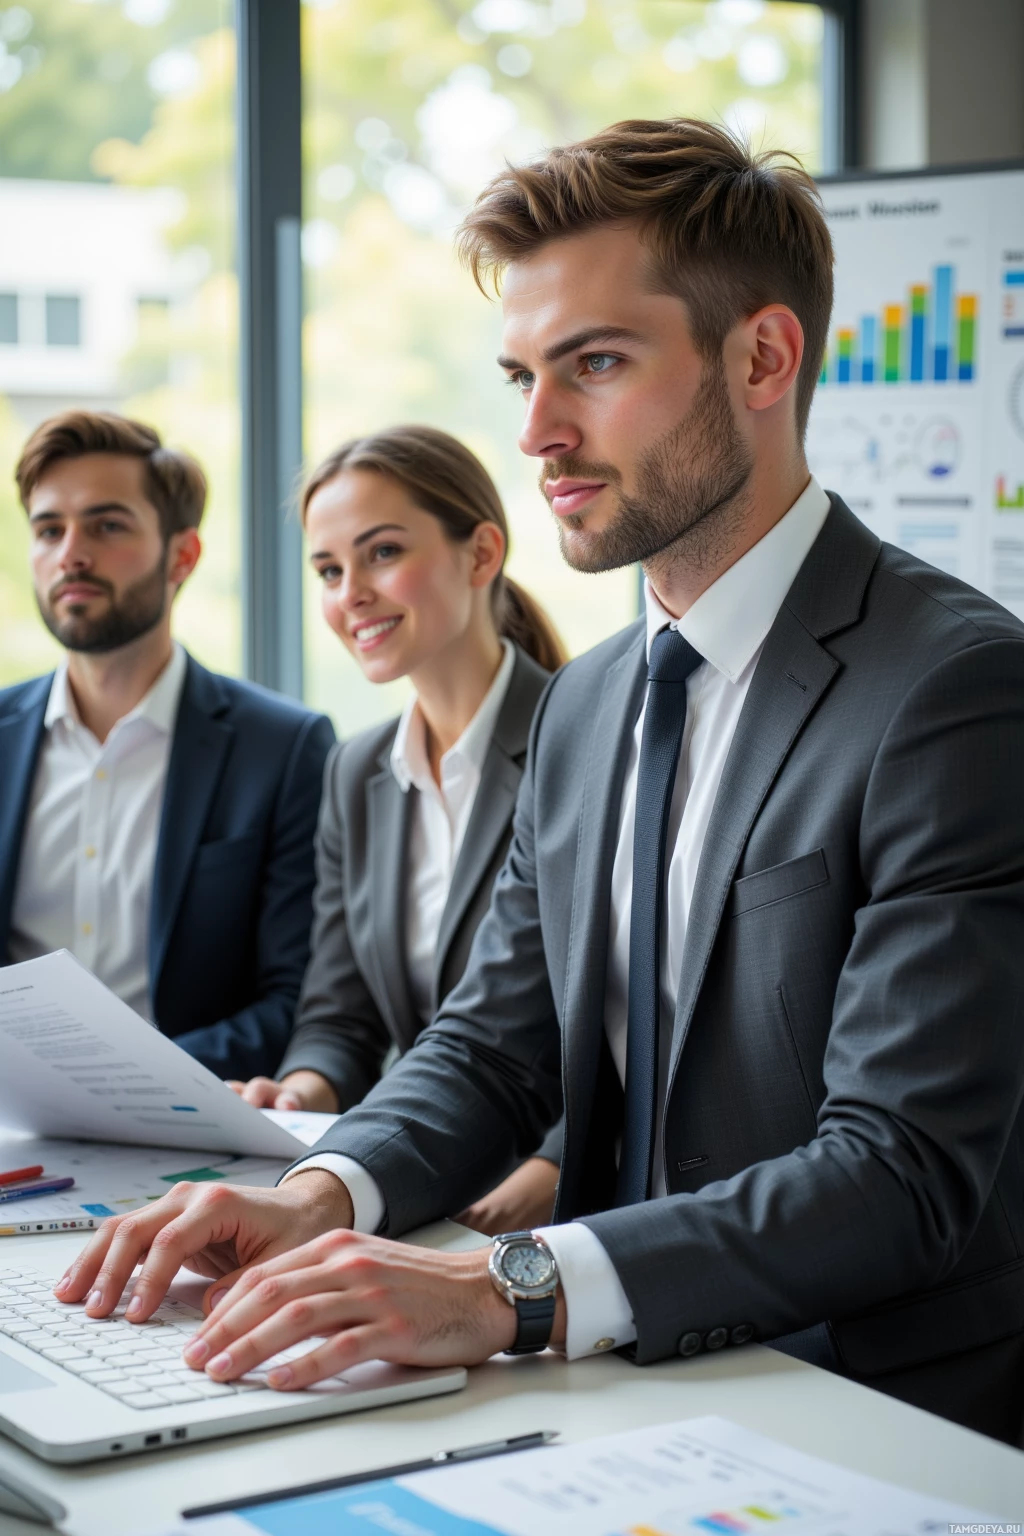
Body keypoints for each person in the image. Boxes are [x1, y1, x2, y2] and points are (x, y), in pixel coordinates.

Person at [58, 121, 1024, 1445]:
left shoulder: (954, 688)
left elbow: (900, 1173)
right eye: (521, 374)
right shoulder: (587, 702)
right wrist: (323, 1194)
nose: (537, 431)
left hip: (872, 1406)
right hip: (623, 1389)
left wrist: (498, 1286)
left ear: (764, 356)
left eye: (597, 365)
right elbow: (494, 1044)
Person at [230, 425, 566, 1232]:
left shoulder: (581, 739)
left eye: (382, 553)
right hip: (423, 1174)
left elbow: (631, 1013)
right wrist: (302, 1087)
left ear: (482, 554)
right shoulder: (357, 771)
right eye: (328, 570)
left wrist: (552, 1162)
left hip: (563, 1193)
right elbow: (342, 1015)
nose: (350, 594)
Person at [0, 410, 335, 1079]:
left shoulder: (285, 747)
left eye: (107, 524)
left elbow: (297, 1000)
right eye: (49, 529)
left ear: (182, 555)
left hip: (189, 1127)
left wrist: (116, 1080)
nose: (71, 553)